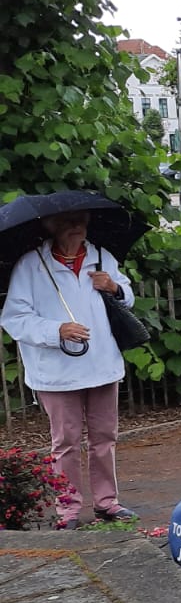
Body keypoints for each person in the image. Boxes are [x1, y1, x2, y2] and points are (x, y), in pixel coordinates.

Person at [1, 209, 138, 527]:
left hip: (102, 362)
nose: (76, 227)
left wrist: (114, 288)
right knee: (65, 442)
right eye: (67, 221)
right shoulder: (32, 265)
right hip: (57, 371)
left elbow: (128, 295)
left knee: (105, 436)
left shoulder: (102, 257)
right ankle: (69, 509)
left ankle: (107, 503)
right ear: (50, 226)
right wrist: (56, 330)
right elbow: (14, 318)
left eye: (81, 220)